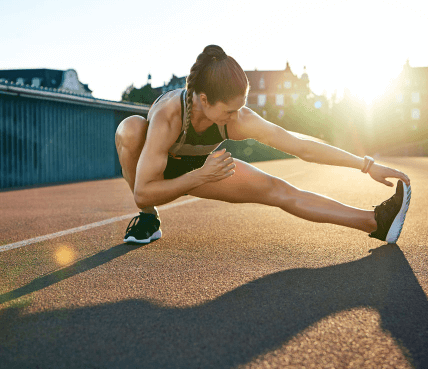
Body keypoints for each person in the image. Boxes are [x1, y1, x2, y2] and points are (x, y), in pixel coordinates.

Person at [115, 45, 411, 245]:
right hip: (160, 173)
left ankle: (375, 223)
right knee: (129, 129)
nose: (236, 117)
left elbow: (301, 146)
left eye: (240, 108)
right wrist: (199, 176)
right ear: (203, 100)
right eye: (229, 111)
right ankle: (149, 220)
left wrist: (366, 164)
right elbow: (143, 190)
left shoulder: (238, 118)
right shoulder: (169, 116)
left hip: (200, 169)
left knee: (279, 191)